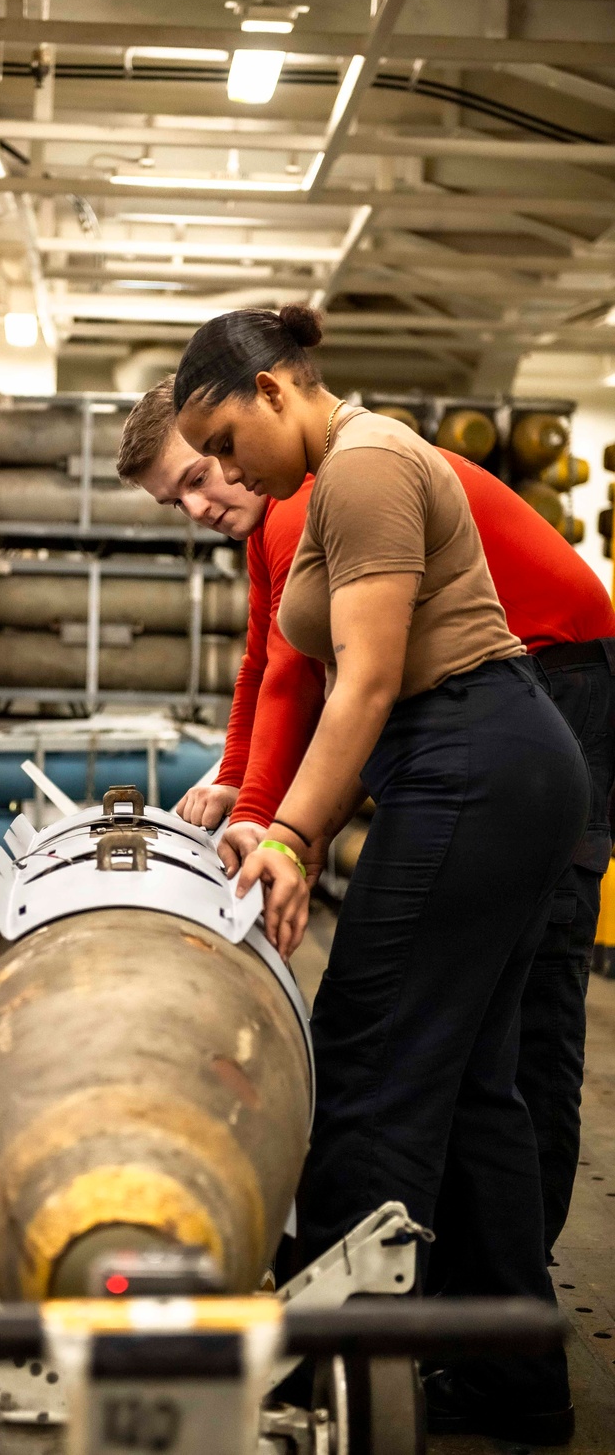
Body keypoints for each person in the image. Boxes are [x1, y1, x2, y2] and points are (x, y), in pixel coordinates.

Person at [168, 307, 593, 1446]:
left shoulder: (361, 470)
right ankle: (511, 1381)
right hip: (487, 762)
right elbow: (285, 667)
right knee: (473, 1087)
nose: (219, 467)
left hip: (473, 762)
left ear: (271, 390)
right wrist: (264, 808)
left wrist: (290, 838)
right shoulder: (336, 477)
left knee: (368, 1059)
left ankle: (324, 1378)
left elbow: (362, 685)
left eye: (219, 438)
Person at [119, 377, 615, 1273]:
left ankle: (486, 1283)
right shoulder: (280, 499)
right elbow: (270, 654)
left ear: (261, 413)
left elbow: (316, 679)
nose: (203, 498)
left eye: (207, 468)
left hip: (547, 681)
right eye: (180, 495)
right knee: (466, 1044)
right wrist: (241, 785)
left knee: (496, 1010)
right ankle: (489, 1322)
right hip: (500, 715)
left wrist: (277, 828)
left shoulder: (319, 484)